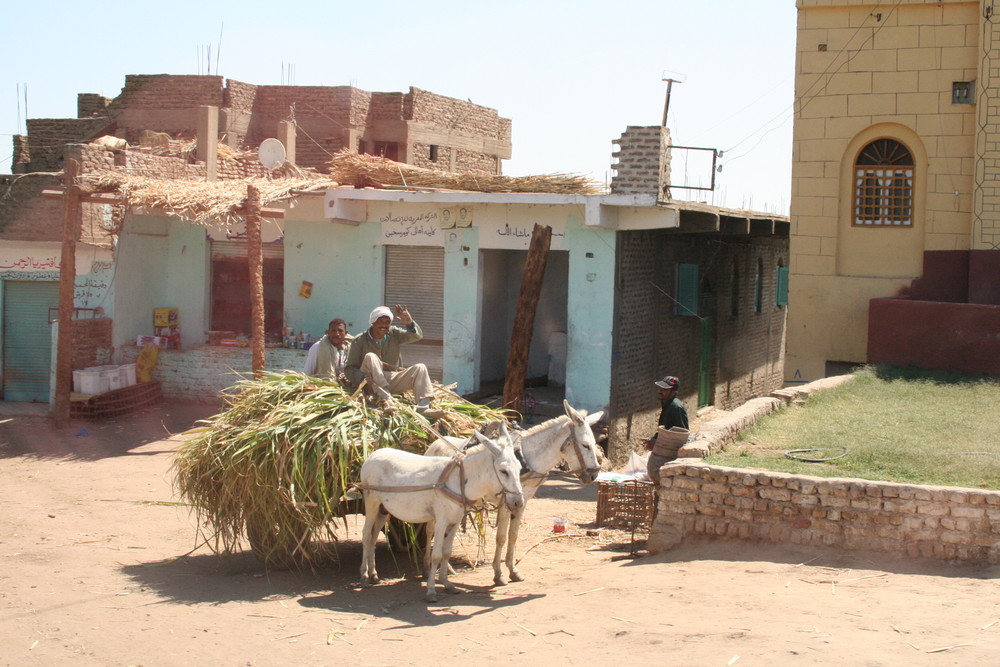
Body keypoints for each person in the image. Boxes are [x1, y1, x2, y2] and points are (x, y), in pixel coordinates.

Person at [344, 305, 440, 415]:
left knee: (420, 367)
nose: (384, 325)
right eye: (380, 321)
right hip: (371, 383)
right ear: (373, 322)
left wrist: (409, 323)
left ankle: (423, 407)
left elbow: (416, 336)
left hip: (391, 378)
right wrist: (363, 378)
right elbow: (349, 368)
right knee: (371, 356)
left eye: (387, 322)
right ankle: (386, 398)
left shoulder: (394, 333)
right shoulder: (359, 340)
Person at [644, 375, 690, 487]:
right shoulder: (667, 403)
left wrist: (658, 443)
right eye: (660, 388)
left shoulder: (676, 407)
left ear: (674, 392)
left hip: (670, 454)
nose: (660, 391)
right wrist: (654, 439)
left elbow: (681, 433)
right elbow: (666, 429)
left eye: (665, 389)